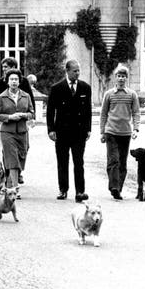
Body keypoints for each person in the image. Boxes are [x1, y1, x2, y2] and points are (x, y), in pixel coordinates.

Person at [46, 60, 92, 202]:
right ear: (67, 71)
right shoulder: (57, 88)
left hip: (79, 132)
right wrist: (51, 129)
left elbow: (88, 111)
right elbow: (50, 110)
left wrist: (88, 129)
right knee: (62, 161)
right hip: (62, 132)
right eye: (74, 71)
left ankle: (80, 191)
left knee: (79, 162)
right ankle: (63, 190)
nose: (77, 73)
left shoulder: (85, 87)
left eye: (78, 70)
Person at [99, 63, 141, 200]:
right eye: (119, 76)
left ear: (126, 78)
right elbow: (103, 114)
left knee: (122, 162)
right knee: (113, 160)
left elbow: (136, 113)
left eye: (123, 76)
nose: (121, 79)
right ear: (115, 78)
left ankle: (118, 189)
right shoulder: (109, 94)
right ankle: (114, 187)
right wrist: (102, 132)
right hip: (111, 132)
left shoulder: (132, 95)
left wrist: (135, 129)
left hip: (125, 133)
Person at [0, 57, 35, 184]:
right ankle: (13, 183)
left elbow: (30, 106)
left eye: (6, 67)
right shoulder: (0, 85)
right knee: (10, 155)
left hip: (22, 129)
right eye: (11, 79)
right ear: (8, 81)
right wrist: (6, 118)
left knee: (23, 152)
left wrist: (28, 116)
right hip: (7, 130)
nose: (14, 81)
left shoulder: (25, 88)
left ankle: (15, 174)